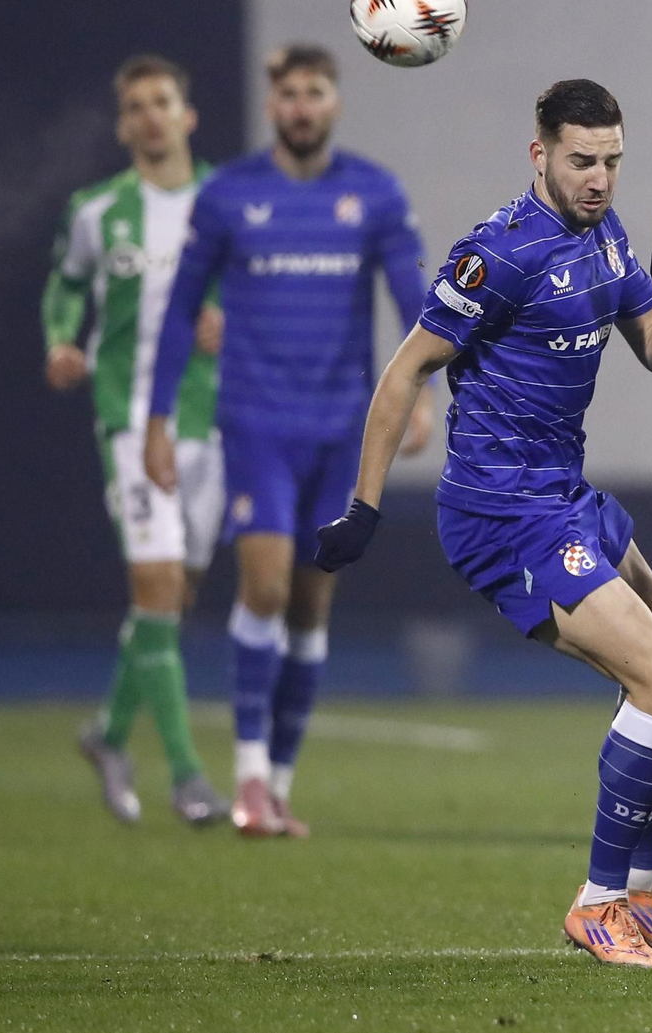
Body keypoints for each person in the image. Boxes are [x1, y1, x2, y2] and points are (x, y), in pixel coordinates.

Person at [315, 79, 652, 968]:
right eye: (582, 160)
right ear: (540, 154)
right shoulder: (498, 255)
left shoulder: (607, 235)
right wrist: (364, 505)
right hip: (501, 511)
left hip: (563, 497)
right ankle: (598, 904)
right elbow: (406, 371)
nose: (599, 178)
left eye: (612, 161)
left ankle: (642, 892)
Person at [144, 43, 434, 838]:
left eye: (314, 93)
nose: (301, 107)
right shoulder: (230, 195)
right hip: (257, 425)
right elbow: (181, 310)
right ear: (271, 104)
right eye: (289, 95)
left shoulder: (374, 192)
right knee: (266, 587)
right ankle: (246, 779)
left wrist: (421, 392)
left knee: (310, 607)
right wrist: (159, 420)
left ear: (334, 103)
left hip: (341, 433)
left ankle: (277, 781)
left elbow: (414, 296)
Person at [42, 54, 231, 827]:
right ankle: (188, 777)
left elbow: (257, 289)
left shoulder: (227, 201)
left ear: (188, 115)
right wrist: (61, 339)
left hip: (209, 420)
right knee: (155, 588)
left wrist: (234, 318)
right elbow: (65, 285)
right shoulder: (97, 211)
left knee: (174, 599)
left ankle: (108, 734)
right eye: (135, 107)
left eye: (162, 102)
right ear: (123, 127)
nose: (150, 116)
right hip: (129, 419)